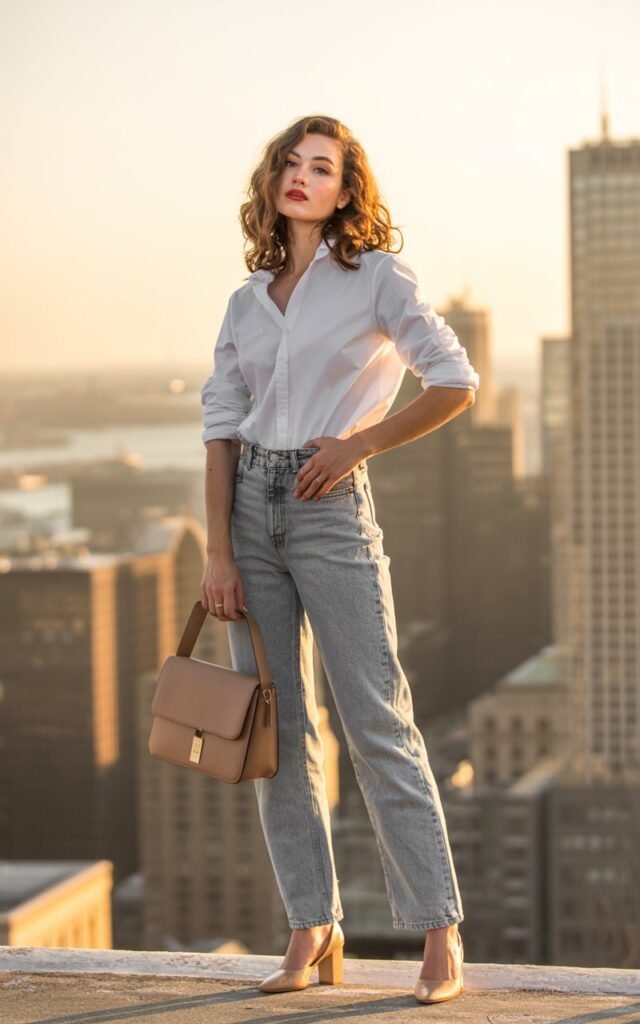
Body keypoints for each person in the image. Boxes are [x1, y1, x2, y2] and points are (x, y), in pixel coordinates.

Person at [199, 114, 478, 1005]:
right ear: (273, 179)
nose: (301, 175)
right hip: (248, 516)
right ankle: (312, 925)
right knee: (278, 736)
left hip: (329, 512)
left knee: (376, 720)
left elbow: (454, 382)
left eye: (322, 167)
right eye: (291, 161)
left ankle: (438, 932)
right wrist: (218, 551)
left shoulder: (375, 279)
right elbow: (218, 430)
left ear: (346, 190)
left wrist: (357, 445)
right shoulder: (245, 302)